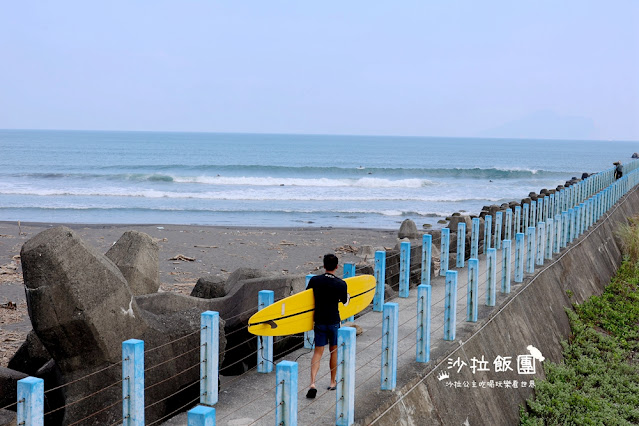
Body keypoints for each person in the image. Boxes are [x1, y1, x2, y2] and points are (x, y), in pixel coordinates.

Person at [306, 253, 348, 398]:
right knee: (333, 351)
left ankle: (312, 383)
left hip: (319, 321)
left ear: (323, 266)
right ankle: (332, 382)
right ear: (337, 267)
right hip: (334, 321)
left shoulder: (314, 280)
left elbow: (306, 299)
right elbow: (345, 302)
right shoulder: (341, 283)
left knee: (318, 352)